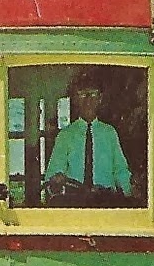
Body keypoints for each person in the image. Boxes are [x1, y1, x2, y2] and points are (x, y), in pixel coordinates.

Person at [44, 75, 133, 205]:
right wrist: (56, 181)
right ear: (75, 99)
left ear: (100, 99)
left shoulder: (109, 133)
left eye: (92, 94)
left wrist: (131, 190)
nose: (88, 101)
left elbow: (121, 171)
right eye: (82, 95)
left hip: (106, 204)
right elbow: (52, 176)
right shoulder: (65, 135)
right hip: (75, 204)